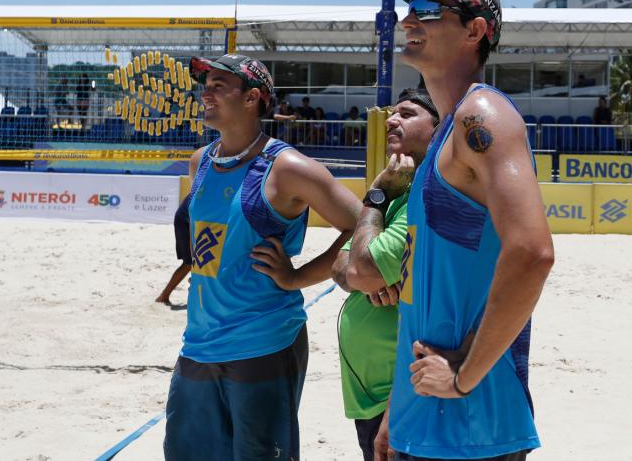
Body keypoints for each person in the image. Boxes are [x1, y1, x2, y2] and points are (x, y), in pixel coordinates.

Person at [373, 0, 555, 461]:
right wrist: (397, 408)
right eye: (411, 10)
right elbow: (424, 296)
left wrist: (463, 376)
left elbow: (533, 253)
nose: (410, 20)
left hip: (472, 429)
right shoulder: (446, 137)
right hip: (424, 420)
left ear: (475, 31)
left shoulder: (484, 116)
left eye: (429, 11)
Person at [163, 54, 360, 461]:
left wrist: (298, 277)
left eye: (220, 85)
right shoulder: (201, 161)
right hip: (198, 345)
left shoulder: (286, 167)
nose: (207, 92)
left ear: (253, 97)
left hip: (263, 343)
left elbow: (362, 227)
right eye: (206, 84)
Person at [331, 88, 438, 461]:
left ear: (438, 129)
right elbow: (340, 270)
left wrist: (375, 195)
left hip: (402, 391)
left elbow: (359, 271)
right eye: (393, 113)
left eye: (407, 114)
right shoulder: (400, 190)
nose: (391, 120)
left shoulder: (425, 194)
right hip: (377, 392)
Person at [155, 195, 192, 305]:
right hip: (185, 220)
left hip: (189, 217)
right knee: (189, 264)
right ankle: (163, 296)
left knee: (194, 263)